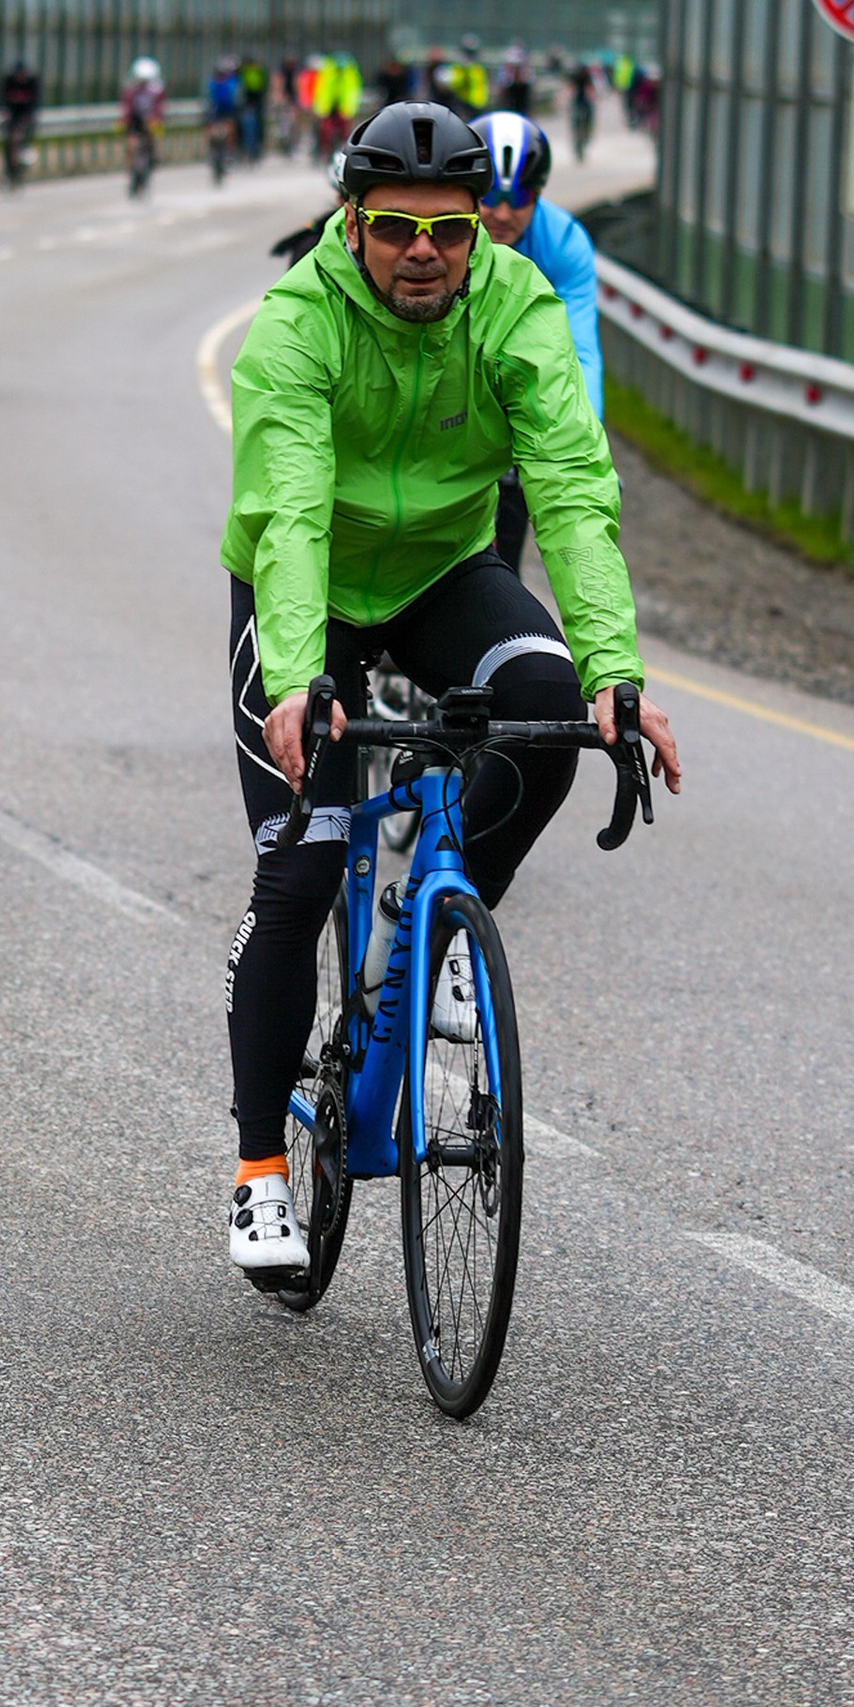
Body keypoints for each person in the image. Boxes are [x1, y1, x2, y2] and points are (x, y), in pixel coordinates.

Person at [217, 98, 680, 1273]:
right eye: (393, 227)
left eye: (449, 230)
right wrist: (296, 676)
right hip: (308, 589)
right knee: (302, 871)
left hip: (440, 575)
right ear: (351, 221)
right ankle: (261, 1166)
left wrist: (616, 674)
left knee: (546, 710)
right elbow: (288, 512)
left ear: (482, 229)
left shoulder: (515, 306)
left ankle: (450, 928)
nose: (422, 251)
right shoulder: (295, 323)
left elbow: (572, 492)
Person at [476, 110, 604, 577]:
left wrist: (587, 446)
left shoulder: (564, 241)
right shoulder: (440, 234)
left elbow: (580, 352)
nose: (503, 213)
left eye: (520, 197)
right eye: (489, 195)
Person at [122, 53, 166, 191]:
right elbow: (127, 107)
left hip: (150, 121)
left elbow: (160, 107)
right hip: (135, 121)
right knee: (132, 145)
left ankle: (153, 161)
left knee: (152, 141)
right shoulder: (131, 90)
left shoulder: (157, 90)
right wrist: (124, 121)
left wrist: (156, 121)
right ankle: (130, 170)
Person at [0, 54, 40, 187]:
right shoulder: (8, 82)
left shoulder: (32, 83)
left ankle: (24, 157)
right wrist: (4, 112)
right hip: (12, 116)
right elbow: (2, 100)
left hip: (25, 116)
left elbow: (35, 102)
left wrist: (28, 117)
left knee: (24, 138)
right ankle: (9, 171)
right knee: (9, 141)